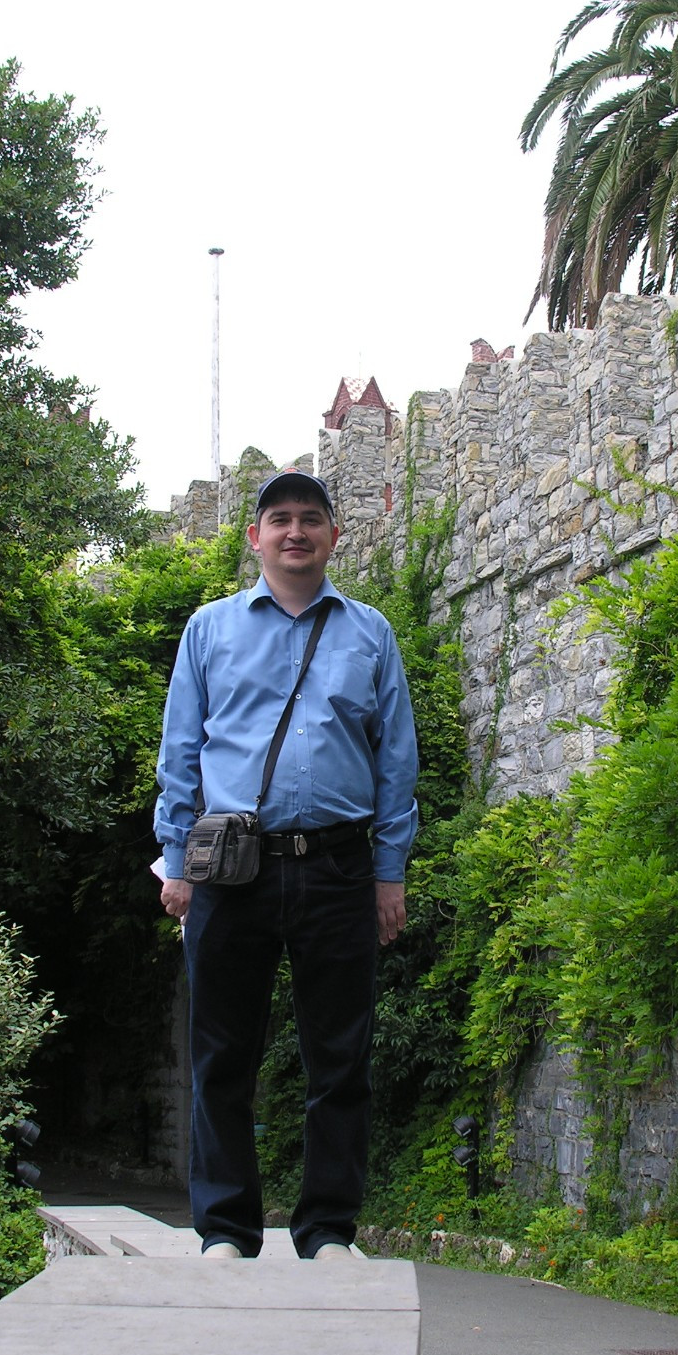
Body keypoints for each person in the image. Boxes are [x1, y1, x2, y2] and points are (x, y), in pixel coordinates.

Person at [155, 469, 418, 1261]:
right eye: (280, 519)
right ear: (255, 538)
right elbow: (181, 754)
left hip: (339, 867)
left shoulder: (370, 633)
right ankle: (226, 1231)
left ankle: (329, 1230)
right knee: (222, 1053)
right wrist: (175, 862)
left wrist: (389, 870)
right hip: (232, 870)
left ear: (336, 536)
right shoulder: (209, 630)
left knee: (339, 1057)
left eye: (311, 519)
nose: (295, 531)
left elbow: (395, 762)